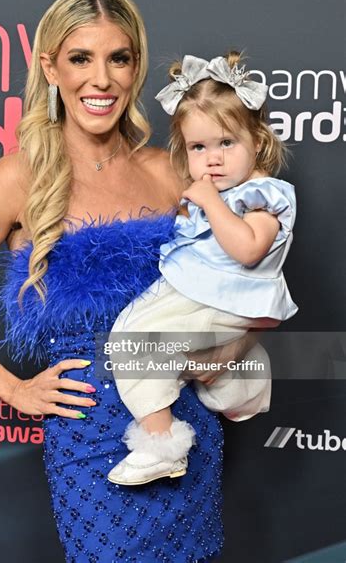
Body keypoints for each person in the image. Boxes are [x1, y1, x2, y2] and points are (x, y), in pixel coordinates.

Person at [0, 0, 259, 563]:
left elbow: (237, 276)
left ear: (136, 66)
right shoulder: (21, 177)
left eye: (118, 58)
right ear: (50, 66)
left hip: (184, 426)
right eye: (80, 59)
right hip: (90, 443)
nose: (101, 80)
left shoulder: (174, 170)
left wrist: (229, 347)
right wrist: (14, 390)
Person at [107, 52, 297, 487]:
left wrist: (210, 204)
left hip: (218, 299)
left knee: (130, 343)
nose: (212, 159)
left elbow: (248, 249)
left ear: (259, 143)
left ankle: (160, 444)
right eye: (199, 147)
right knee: (181, 356)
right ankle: (240, 391)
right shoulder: (212, 193)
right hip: (201, 297)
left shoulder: (265, 195)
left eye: (226, 143)